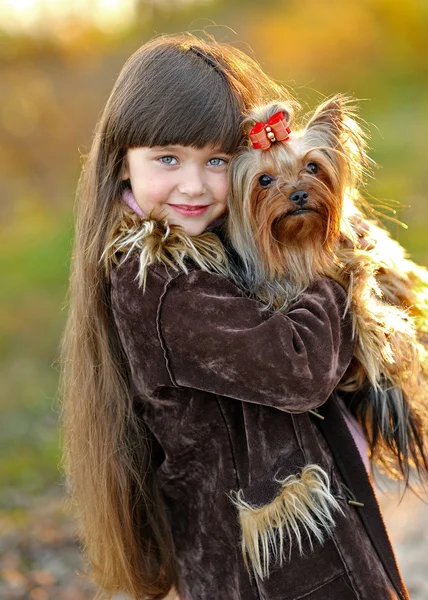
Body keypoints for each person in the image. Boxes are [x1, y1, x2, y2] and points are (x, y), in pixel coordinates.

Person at [59, 34, 410, 600]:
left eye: (216, 161)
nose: (194, 185)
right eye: (167, 159)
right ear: (121, 167)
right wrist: (335, 270)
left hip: (295, 543)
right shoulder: (161, 285)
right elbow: (297, 368)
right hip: (269, 564)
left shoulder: (211, 250)